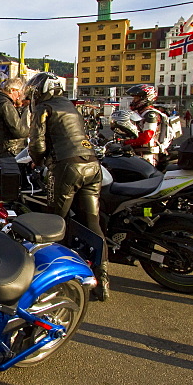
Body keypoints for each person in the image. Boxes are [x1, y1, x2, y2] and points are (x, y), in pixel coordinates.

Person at [26, 72, 109, 301]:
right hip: (92, 164)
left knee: (55, 223)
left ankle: (56, 281)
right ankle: (102, 281)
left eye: (34, 91)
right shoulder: (72, 106)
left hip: (66, 166)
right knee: (93, 223)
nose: (33, 96)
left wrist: (39, 160)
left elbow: (37, 142)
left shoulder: (44, 109)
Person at [122, 84, 169, 166]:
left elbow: (146, 138)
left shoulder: (150, 114)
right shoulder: (141, 113)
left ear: (145, 98)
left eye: (136, 98)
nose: (134, 101)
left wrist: (126, 142)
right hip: (140, 152)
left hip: (148, 155)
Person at [0, 77, 30, 157]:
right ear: (12, 90)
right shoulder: (5, 104)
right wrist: (30, 131)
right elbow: (19, 131)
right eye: (19, 92)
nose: (19, 96)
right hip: (10, 149)